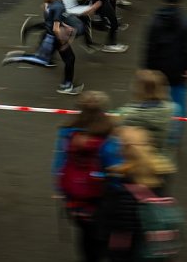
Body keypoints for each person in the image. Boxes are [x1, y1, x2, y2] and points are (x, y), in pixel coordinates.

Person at [52, 91, 122, 262]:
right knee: (103, 238)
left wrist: (60, 189)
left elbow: (59, 163)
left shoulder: (68, 133)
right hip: (101, 199)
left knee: (85, 237)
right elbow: (116, 169)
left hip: (76, 199)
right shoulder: (108, 135)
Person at [101, 126, 177, 262]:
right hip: (157, 250)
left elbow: (121, 237)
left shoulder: (124, 192)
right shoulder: (161, 177)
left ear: (124, 151)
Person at [142, 0, 187, 147]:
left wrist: (146, 68)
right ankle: (173, 137)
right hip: (178, 71)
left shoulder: (155, 20)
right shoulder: (185, 22)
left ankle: (153, 133)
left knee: (152, 102)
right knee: (178, 105)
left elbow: (150, 47)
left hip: (156, 70)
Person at [117, 70, 178, 158]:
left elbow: (122, 140)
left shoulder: (129, 114)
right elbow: (172, 140)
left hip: (138, 162)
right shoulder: (173, 109)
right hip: (162, 160)